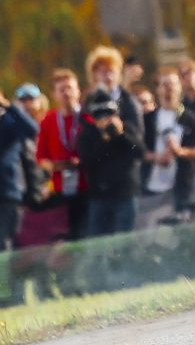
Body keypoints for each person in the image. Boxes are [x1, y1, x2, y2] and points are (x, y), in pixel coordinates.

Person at [76, 88, 144, 236]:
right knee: (98, 239)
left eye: (109, 114)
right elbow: (87, 162)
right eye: (100, 116)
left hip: (125, 194)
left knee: (125, 239)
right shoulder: (88, 134)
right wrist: (104, 140)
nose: (106, 119)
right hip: (100, 195)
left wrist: (121, 135)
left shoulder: (127, 128)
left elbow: (140, 152)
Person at [142, 69, 195, 216]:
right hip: (151, 189)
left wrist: (180, 152)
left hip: (180, 189)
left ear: (180, 87)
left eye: (172, 84)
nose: (169, 88)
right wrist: (156, 157)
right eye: (164, 84)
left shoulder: (191, 120)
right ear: (157, 89)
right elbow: (136, 151)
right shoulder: (147, 120)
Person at [36, 69, 87, 240]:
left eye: (70, 88)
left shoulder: (88, 117)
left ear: (78, 90)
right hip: (60, 190)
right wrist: (55, 165)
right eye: (61, 89)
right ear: (54, 94)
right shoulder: (48, 120)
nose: (66, 93)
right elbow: (40, 158)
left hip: (87, 188)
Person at [0, 83, 41, 252]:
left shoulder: (8, 119)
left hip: (7, 194)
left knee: (3, 244)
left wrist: (7, 105)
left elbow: (31, 129)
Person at [85, 45, 146, 150]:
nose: (108, 77)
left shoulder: (128, 100)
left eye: (111, 71)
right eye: (103, 72)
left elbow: (137, 135)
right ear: (94, 74)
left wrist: (119, 128)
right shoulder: (89, 101)